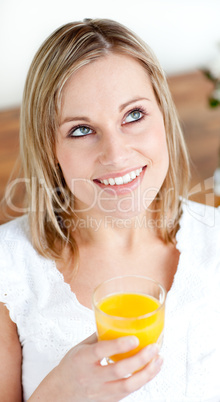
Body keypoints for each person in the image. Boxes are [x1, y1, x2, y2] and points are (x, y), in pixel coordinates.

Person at [0, 18, 219, 402]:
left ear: (164, 118)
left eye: (133, 115)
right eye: (81, 130)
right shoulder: (9, 270)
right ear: (50, 148)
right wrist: (57, 394)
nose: (116, 155)